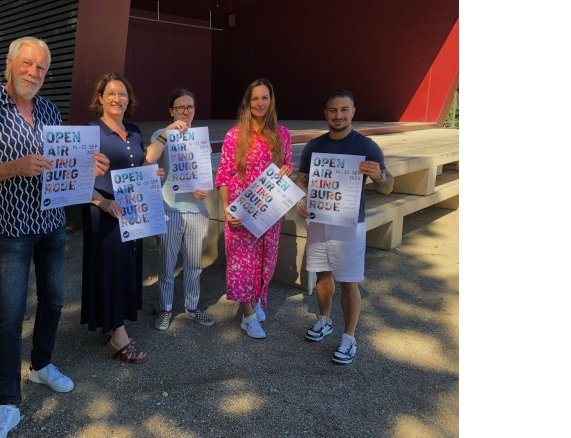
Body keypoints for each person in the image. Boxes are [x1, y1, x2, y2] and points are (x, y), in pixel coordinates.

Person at [0, 36, 110, 438]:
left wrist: (88, 165)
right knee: (9, 316)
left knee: (55, 301)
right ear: (10, 65)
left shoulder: (50, 110)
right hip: (12, 231)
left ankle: (41, 365)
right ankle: (8, 402)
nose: (34, 73)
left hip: (52, 225)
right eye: (27, 64)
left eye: (41, 67)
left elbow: (65, 166)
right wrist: (15, 166)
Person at [295, 89, 393, 365]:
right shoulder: (314, 146)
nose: (338, 115)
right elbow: (302, 180)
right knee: (323, 275)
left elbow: (388, 187)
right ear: (325, 113)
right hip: (319, 220)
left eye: (344, 110)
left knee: (349, 282)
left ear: (353, 112)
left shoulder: (366, 146)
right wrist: (301, 199)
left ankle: (349, 337)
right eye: (333, 110)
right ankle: (324, 321)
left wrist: (380, 175)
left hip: (350, 225)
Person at [214, 78, 292, 339]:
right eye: (255, 98)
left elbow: (287, 166)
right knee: (242, 264)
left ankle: (257, 299)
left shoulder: (282, 133)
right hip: (241, 209)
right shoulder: (235, 135)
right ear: (248, 103)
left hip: (270, 208)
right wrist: (227, 208)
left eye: (265, 98)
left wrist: (286, 170)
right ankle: (247, 316)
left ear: (271, 101)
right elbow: (224, 174)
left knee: (266, 261)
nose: (260, 103)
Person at [81, 73, 150, 363]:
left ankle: (111, 323)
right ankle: (118, 337)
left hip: (132, 212)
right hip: (104, 212)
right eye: (110, 93)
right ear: (100, 98)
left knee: (126, 268)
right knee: (109, 269)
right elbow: (74, 178)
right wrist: (102, 201)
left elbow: (139, 166)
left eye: (121, 94)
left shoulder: (134, 131)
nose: (116, 99)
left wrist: (152, 173)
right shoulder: (91, 132)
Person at [143, 88, 215, 331]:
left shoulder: (200, 138)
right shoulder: (160, 134)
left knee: (194, 265)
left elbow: (203, 176)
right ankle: (165, 310)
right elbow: (150, 159)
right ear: (171, 111)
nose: (186, 112)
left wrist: (202, 190)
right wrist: (166, 132)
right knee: (167, 265)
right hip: (169, 209)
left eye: (190, 107)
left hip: (196, 210)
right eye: (180, 107)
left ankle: (192, 308)